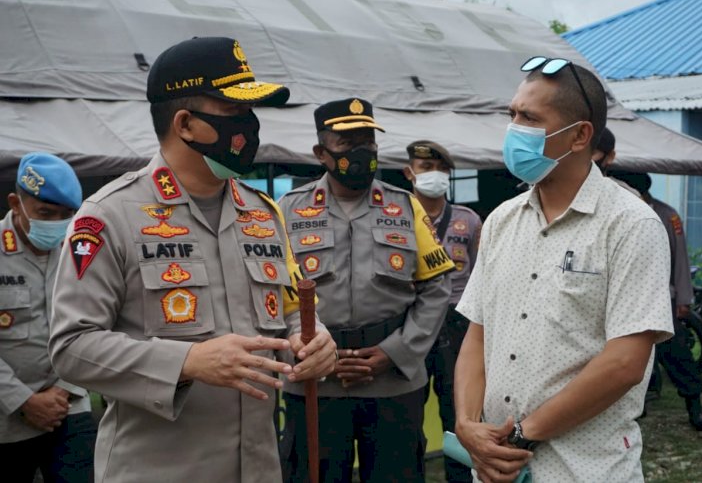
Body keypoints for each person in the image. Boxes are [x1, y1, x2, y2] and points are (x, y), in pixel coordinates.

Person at [48, 36, 336, 483]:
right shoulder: (109, 216)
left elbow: (294, 310)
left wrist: (315, 340)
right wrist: (186, 362)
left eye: (251, 112)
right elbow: (71, 348)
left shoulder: (262, 213)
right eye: (234, 113)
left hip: (259, 469)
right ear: (185, 123)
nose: (250, 126)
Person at [453, 56, 674, 482]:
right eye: (512, 114)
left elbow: (625, 362)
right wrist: (466, 424)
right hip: (495, 468)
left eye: (529, 118)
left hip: (584, 469)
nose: (513, 128)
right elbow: (478, 334)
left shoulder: (630, 224)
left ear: (579, 135)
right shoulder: (501, 220)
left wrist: (524, 435)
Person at [278, 98, 455, 482]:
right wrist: (309, 352)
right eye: (347, 144)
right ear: (321, 153)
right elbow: (271, 292)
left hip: (391, 382)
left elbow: (436, 288)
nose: (361, 153)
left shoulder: (405, 206)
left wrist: (395, 353)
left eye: (367, 142)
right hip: (315, 384)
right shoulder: (287, 211)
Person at [1, 153, 96, 482]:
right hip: (7, 416)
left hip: (69, 404)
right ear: (16, 203)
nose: (57, 223)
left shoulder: (81, 251)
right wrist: (24, 400)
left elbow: (96, 323)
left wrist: (65, 390)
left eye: (66, 214)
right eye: (45, 213)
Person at [607, 171, 702, 431]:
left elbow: (681, 258)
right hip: (619, 299)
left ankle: (694, 405)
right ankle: (635, 405)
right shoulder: (611, 212)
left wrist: (683, 300)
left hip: (660, 299)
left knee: (676, 352)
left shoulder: (666, 215)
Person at [403, 140, 481, 483]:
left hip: (456, 324)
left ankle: (461, 477)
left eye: (440, 169)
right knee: (407, 410)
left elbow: (481, 276)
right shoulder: (398, 218)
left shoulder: (469, 220)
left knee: (457, 410)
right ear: (409, 173)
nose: (433, 175)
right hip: (412, 322)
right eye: (425, 168)